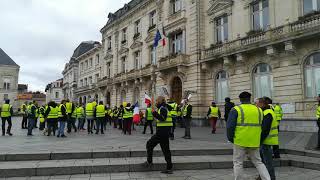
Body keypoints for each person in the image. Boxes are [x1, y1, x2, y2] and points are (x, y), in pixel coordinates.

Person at [227, 91, 271, 180]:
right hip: (254, 140)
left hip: (240, 140)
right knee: (258, 162)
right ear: (249, 99)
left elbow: (230, 126)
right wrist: (259, 139)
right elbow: (262, 126)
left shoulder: (236, 109)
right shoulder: (259, 110)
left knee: (238, 163)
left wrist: (231, 138)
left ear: (240, 99)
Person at [143, 96, 173, 174]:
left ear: (159, 101)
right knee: (166, 150)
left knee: (149, 144)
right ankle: (169, 168)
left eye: (156, 101)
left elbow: (163, 118)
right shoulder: (164, 108)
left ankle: (149, 162)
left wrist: (154, 113)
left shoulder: (163, 108)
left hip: (161, 133)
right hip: (164, 132)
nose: (155, 102)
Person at [256, 97, 278, 180]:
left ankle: (271, 177)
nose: (256, 106)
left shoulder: (267, 113)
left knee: (268, 162)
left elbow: (265, 129)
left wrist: (259, 140)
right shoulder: (266, 111)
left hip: (266, 141)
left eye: (257, 104)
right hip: (266, 141)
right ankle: (262, 176)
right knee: (263, 161)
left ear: (262, 104)